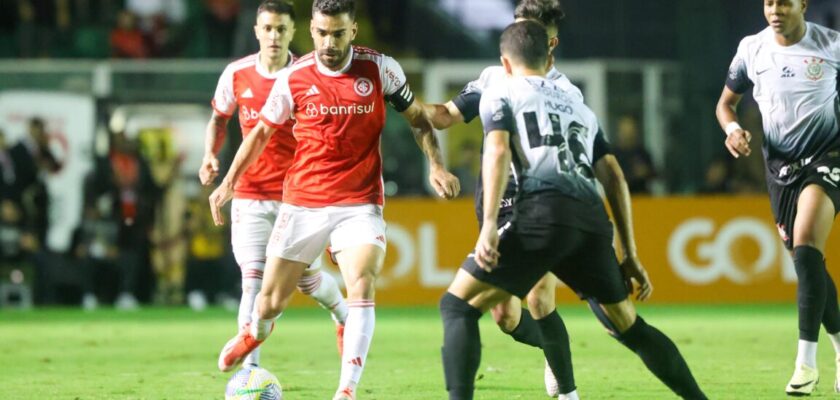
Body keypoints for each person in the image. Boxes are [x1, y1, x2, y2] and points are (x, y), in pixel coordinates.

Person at [439, 20, 707, 400]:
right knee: (629, 326)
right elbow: (612, 175)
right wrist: (628, 252)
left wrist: (487, 228)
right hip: (593, 221)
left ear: (505, 61)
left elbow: (497, 151)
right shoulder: (578, 105)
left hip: (542, 213)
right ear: (547, 56)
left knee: (456, 306)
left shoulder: (500, 92)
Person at [209, 1, 460, 399]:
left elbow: (418, 118)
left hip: (359, 202)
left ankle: (347, 389)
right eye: (323, 33)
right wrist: (228, 182)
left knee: (361, 283)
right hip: (302, 202)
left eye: (338, 34)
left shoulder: (380, 69)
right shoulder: (294, 76)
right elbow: (258, 135)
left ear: (353, 31)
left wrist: (436, 166)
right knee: (269, 302)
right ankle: (254, 331)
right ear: (312, 30)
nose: (329, 42)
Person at [199, 0, 349, 369]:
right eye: (267, 28)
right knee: (253, 281)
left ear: (292, 32)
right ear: (256, 31)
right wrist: (209, 155)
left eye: (281, 29)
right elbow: (219, 119)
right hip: (249, 195)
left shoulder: (307, 74)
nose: (274, 36)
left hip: (298, 197)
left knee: (309, 282)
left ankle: (343, 313)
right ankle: (250, 374)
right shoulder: (236, 74)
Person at [715, 0, 840, 395]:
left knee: (805, 245)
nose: (775, 9)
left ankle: (805, 363)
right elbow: (725, 104)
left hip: (827, 156)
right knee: (808, 264)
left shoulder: (832, 46)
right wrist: (732, 129)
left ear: (802, 5)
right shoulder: (751, 49)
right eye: (769, 2)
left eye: (784, 2)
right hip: (780, 169)